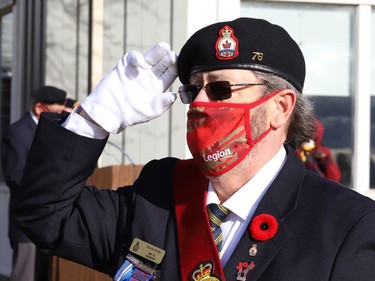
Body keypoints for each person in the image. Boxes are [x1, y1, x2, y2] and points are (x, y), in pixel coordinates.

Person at [12, 18, 375, 281]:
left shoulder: (346, 226)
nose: (199, 103)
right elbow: (43, 216)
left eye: (219, 90)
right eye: (192, 90)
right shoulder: (157, 193)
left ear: (279, 107)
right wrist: (93, 121)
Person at [1, 85, 67, 281]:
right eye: (58, 111)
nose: (61, 114)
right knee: (26, 276)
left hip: (54, 223)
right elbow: (15, 176)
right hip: (28, 225)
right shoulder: (18, 133)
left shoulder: (56, 130)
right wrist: (50, 180)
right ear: (40, 108)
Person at [296, 118, 342, 182]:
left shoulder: (322, 152)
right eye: (305, 138)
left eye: (312, 138)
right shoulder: (293, 150)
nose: (308, 140)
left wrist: (324, 159)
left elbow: (335, 178)